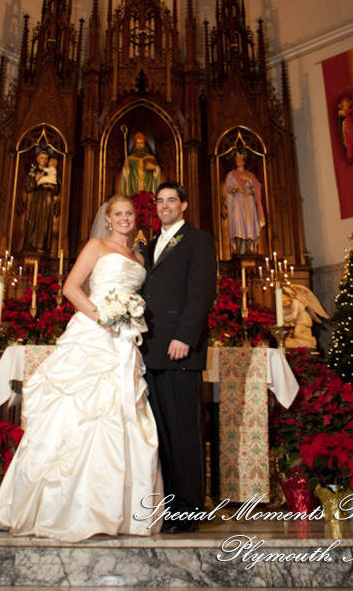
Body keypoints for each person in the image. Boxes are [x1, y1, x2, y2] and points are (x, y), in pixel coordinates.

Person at [0, 194, 163, 540]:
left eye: (129, 213)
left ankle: (119, 509)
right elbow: (71, 287)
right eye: (118, 213)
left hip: (125, 340)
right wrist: (102, 316)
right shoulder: (96, 246)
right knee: (78, 412)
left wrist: (127, 318)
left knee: (124, 413)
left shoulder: (139, 255)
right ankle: (65, 507)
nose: (125, 218)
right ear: (109, 219)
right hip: (94, 333)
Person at [141, 181, 217, 532]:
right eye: (160, 201)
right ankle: (169, 503)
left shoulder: (198, 239)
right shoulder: (150, 244)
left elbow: (201, 292)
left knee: (184, 430)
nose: (165, 205)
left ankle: (189, 510)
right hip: (150, 349)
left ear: (184, 205)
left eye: (172, 200)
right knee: (162, 432)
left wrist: (184, 336)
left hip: (178, 349)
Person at [224, 150, 265, 254]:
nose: (238, 161)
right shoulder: (231, 175)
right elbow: (228, 187)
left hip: (249, 200)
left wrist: (250, 181)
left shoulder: (249, 175)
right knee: (238, 222)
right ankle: (237, 249)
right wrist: (234, 187)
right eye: (237, 159)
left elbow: (258, 186)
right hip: (237, 200)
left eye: (240, 159)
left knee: (250, 223)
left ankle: (248, 249)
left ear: (244, 162)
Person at [21, 149, 60, 253]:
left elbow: (57, 188)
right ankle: (30, 246)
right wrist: (36, 180)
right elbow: (27, 187)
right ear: (38, 158)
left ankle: (42, 247)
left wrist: (52, 187)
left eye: (46, 158)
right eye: (42, 158)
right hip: (34, 201)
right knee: (32, 222)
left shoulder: (50, 170)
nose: (44, 160)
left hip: (47, 201)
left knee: (44, 222)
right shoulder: (33, 171)